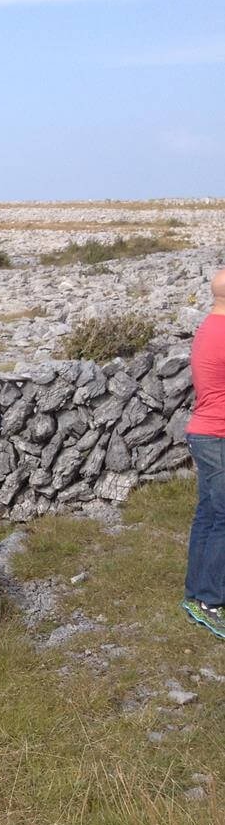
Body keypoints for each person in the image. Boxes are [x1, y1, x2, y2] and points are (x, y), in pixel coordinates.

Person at [183, 268, 225, 639]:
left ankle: (195, 594)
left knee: (209, 514)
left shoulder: (208, 327)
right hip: (218, 435)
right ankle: (211, 601)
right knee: (223, 518)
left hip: (204, 432)